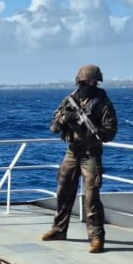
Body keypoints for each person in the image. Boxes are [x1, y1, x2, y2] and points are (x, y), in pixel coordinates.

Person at [42, 65, 118, 253]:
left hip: (90, 153)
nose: (92, 84)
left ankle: (96, 237)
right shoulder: (70, 99)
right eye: (89, 81)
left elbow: (110, 130)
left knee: (91, 197)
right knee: (63, 191)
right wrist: (65, 119)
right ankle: (59, 229)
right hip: (72, 151)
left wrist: (92, 131)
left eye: (94, 81)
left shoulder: (102, 102)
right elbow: (53, 127)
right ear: (81, 81)